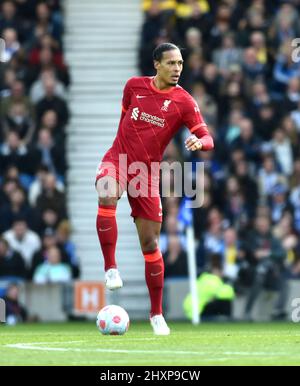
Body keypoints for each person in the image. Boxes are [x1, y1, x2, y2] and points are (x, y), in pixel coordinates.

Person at [95, 43, 214, 335]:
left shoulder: (184, 101)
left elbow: (207, 136)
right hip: (118, 159)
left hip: (147, 174)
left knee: (150, 244)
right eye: (171, 63)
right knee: (107, 192)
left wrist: (200, 143)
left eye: (181, 64)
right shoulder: (134, 86)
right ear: (157, 64)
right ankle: (111, 267)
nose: (177, 69)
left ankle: (156, 314)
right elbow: (125, 116)